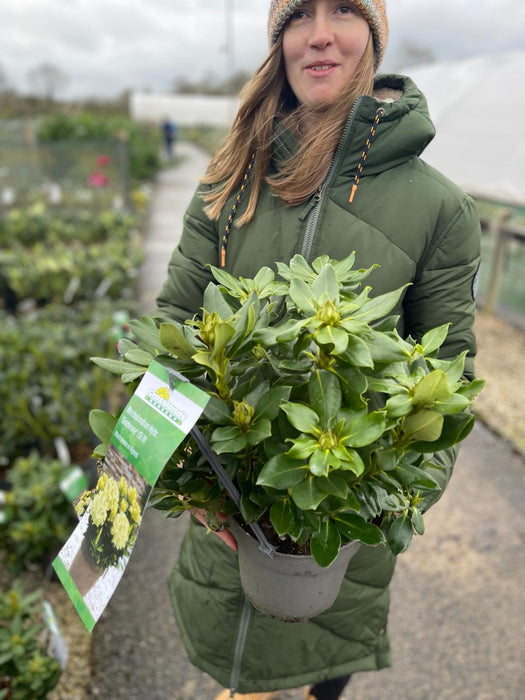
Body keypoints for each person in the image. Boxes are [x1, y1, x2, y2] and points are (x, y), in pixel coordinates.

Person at [156, 1, 481, 699]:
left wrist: (387, 504)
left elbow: (449, 372)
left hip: (341, 524)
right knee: (233, 648)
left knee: (320, 659)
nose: (321, 34)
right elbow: (176, 326)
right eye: (299, 13)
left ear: (373, 36)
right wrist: (180, 476)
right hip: (227, 508)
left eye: (343, 10)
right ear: (279, 40)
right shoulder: (227, 179)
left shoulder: (438, 210)